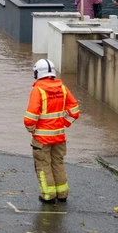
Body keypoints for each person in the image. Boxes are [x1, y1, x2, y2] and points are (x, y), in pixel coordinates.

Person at [24, 58, 80, 203]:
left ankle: (48, 196)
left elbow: (30, 119)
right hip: (59, 137)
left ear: (37, 73)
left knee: (43, 166)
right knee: (58, 164)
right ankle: (62, 194)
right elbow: (75, 111)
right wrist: (63, 123)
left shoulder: (38, 90)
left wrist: (32, 130)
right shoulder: (63, 88)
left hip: (41, 140)